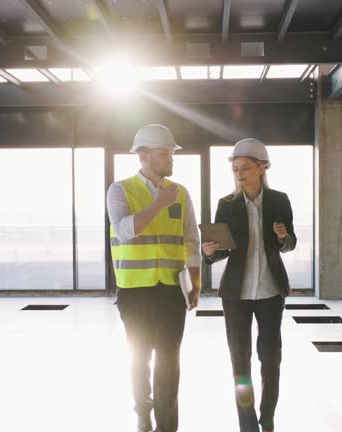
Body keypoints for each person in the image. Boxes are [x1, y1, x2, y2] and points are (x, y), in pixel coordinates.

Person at [107, 124, 201, 432]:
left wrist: (196, 281)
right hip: (134, 291)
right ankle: (142, 410)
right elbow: (124, 230)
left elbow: (191, 240)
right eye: (165, 153)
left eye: (172, 153)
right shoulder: (120, 190)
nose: (171, 159)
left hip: (171, 289)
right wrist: (159, 203)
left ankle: (167, 424)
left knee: (169, 359)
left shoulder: (182, 193)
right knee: (139, 357)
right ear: (144, 156)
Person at [202, 138, 296, 432]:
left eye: (245, 168)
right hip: (236, 295)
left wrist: (283, 237)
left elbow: (290, 244)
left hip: (270, 292)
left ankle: (267, 418)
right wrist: (209, 252)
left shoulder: (280, 200)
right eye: (235, 169)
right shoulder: (226, 205)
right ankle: (247, 424)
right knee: (239, 361)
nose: (239, 174)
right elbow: (222, 250)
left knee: (270, 359)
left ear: (262, 167)